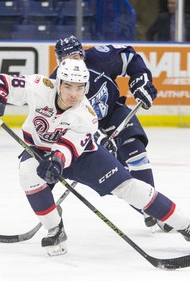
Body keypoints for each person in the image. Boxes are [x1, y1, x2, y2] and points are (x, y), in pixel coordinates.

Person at [0, 58, 190, 256]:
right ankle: (55, 229)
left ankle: (187, 227)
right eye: (68, 86)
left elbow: (69, 148)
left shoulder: (86, 115)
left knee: (131, 188)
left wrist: (58, 161)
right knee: (27, 173)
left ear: (86, 87)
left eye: (80, 88)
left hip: (83, 155)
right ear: (59, 82)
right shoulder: (39, 86)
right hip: (39, 150)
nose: (74, 93)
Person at [50, 35, 172, 232]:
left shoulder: (99, 58)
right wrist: (91, 138)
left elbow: (129, 57)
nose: (74, 63)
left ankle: (155, 211)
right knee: (116, 174)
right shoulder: (56, 84)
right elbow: (60, 124)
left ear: (83, 54)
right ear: (59, 61)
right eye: (66, 59)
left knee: (136, 152)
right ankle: (145, 209)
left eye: (77, 57)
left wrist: (140, 80)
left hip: (114, 112)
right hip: (84, 128)